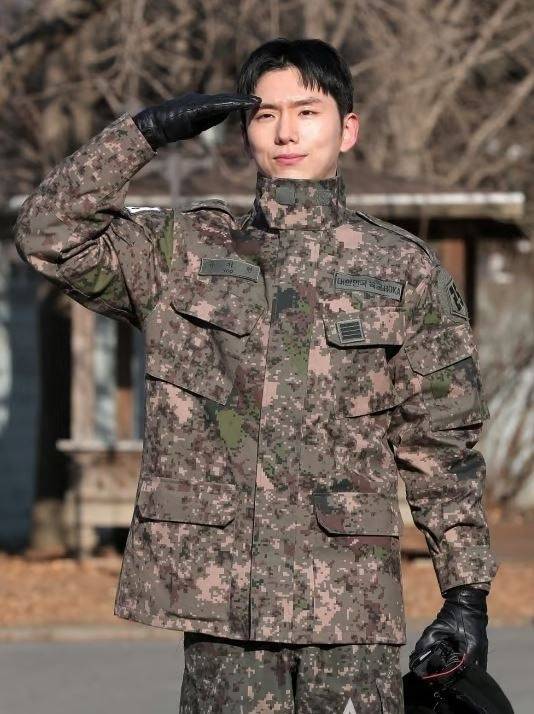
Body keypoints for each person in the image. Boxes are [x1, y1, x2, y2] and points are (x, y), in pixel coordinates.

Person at [14, 37, 498, 714]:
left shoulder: (401, 270)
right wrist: (143, 134)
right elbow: (47, 233)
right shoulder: (183, 251)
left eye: (307, 111)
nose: (286, 131)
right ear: (244, 132)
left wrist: (466, 594)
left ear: (347, 129)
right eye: (265, 114)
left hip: (347, 611)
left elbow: (442, 445)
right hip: (224, 611)